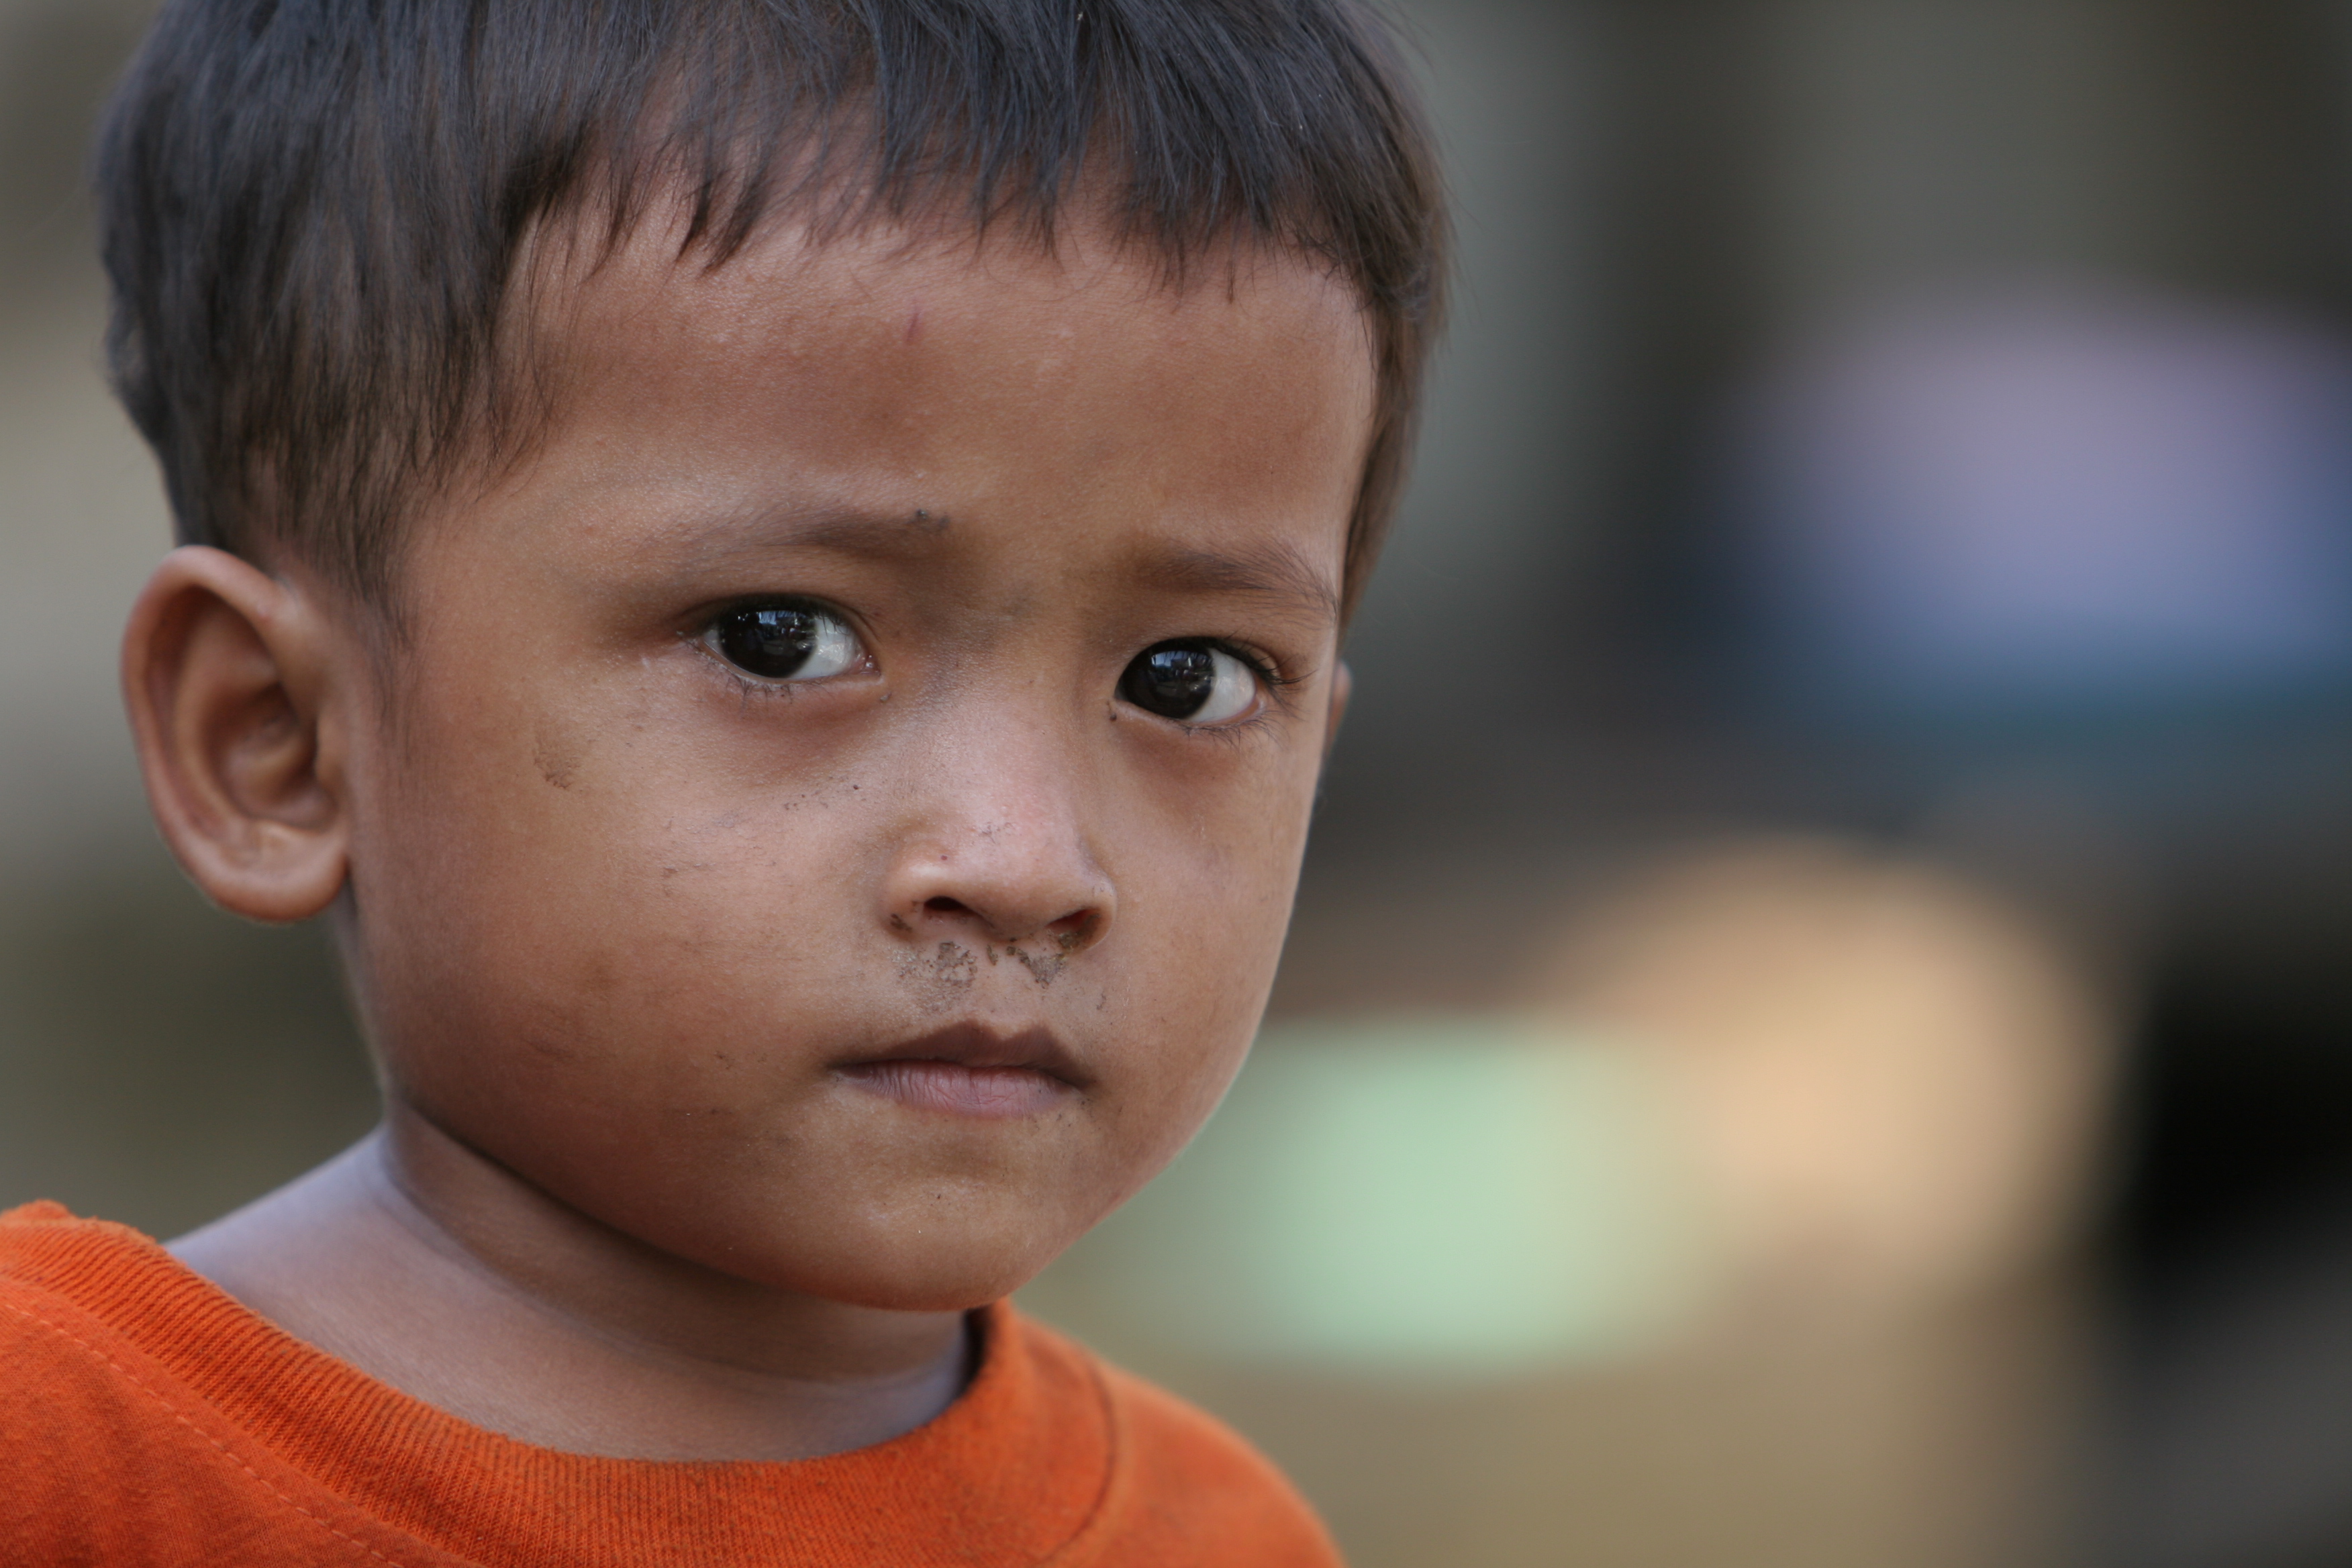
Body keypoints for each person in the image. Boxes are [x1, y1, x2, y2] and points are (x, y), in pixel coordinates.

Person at [0, 1, 1445, 1562]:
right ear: (272, 740)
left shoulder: (1217, 1536)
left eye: (1190, 679)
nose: (1025, 858)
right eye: (781, 640)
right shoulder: (68, 1465)